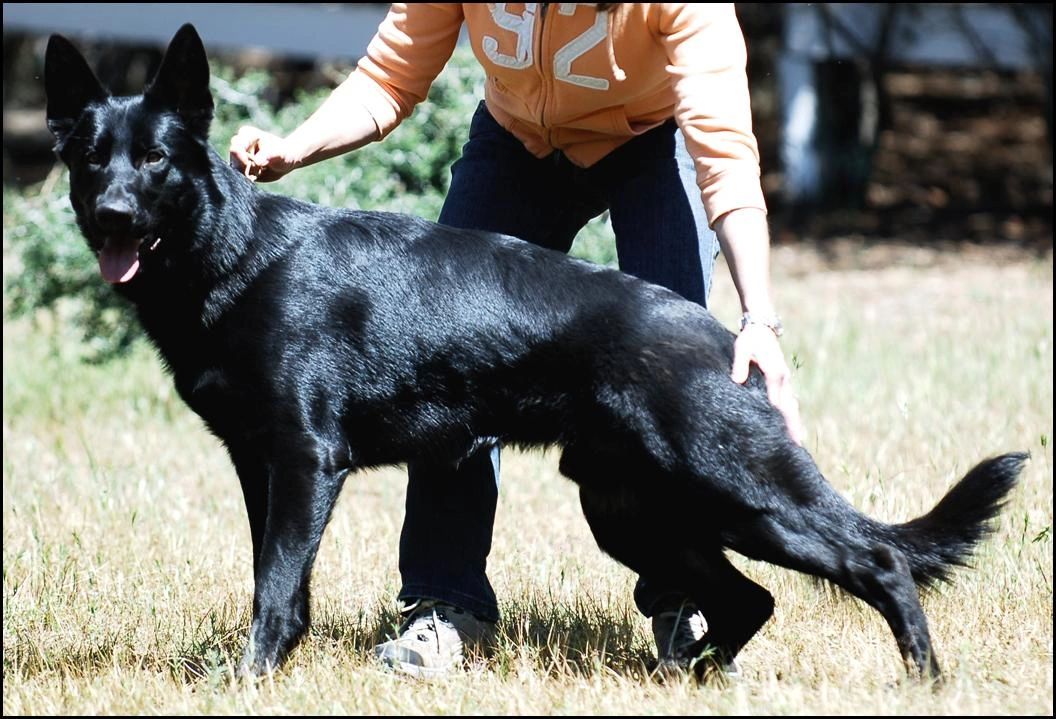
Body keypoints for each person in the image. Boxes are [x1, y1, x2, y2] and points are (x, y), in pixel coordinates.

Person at [229, 2, 806, 679]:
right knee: (443, 359)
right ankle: (445, 603)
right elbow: (389, 77)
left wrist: (759, 318)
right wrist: (297, 145)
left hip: (654, 140)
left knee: (664, 384)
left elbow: (726, 156)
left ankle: (685, 604)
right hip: (517, 144)